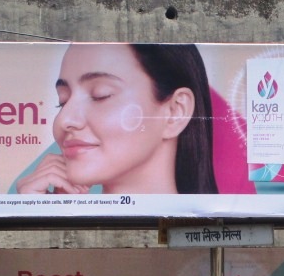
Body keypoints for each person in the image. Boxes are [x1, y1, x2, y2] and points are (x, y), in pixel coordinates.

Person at [16, 43, 218, 195]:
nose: (64, 120)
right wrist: (44, 222)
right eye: (63, 101)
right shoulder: (43, 203)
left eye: (100, 95)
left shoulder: (215, 232)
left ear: (175, 112)